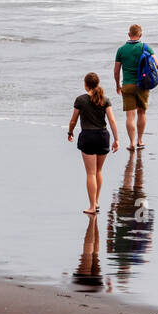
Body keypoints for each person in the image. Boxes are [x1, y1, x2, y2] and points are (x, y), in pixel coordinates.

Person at [67, 72, 120, 215]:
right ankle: (96, 201)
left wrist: (70, 132)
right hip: (103, 136)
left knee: (90, 173)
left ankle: (92, 206)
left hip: (88, 137)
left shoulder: (80, 100)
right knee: (98, 171)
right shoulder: (105, 99)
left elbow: (73, 120)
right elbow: (112, 121)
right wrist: (116, 139)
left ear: (85, 85)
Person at [113, 24, 153, 150]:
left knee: (130, 116)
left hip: (127, 85)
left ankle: (131, 143)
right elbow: (157, 64)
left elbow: (116, 70)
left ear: (129, 34)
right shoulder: (145, 48)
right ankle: (140, 141)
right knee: (141, 113)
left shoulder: (121, 50)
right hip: (142, 85)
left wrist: (117, 85)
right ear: (140, 35)